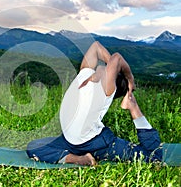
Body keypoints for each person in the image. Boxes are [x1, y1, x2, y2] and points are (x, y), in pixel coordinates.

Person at [26, 41, 162, 165]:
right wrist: (128, 77)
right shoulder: (88, 74)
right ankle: (79, 159)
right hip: (79, 141)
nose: (104, 68)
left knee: (34, 147)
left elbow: (110, 55)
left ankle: (76, 157)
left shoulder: (98, 83)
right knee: (34, 145)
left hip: (80, 141)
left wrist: (122, 76)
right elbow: (102, 50)